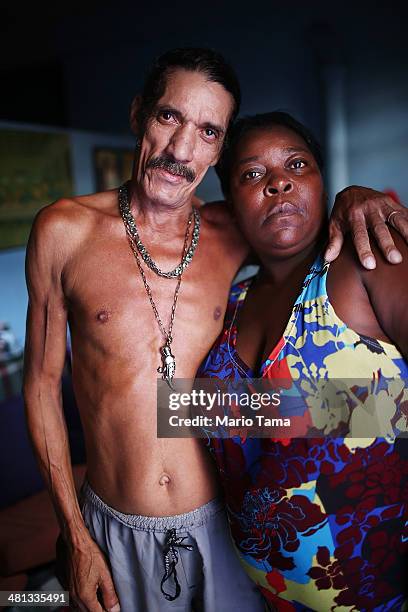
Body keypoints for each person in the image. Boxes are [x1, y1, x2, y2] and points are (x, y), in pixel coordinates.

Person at [22, 48, 407, 612]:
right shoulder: (65, 230)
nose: (182, 148)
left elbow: (294, 210)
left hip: (232, 539)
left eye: (207, 131)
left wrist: (356, 195)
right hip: (122, 528)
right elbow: (48, 387)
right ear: (139, 116)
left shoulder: (238, 233)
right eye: (168, 117)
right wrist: (74, 535)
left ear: (216, 148)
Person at [198, 111, 408, 610]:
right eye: (252, 174)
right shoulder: (228, 303)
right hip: (268, 596)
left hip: (381, 592)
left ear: (321, 180)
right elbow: (183, 414)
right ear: (229, 201)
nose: (279, 183)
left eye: (297, 164)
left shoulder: (366, 259)